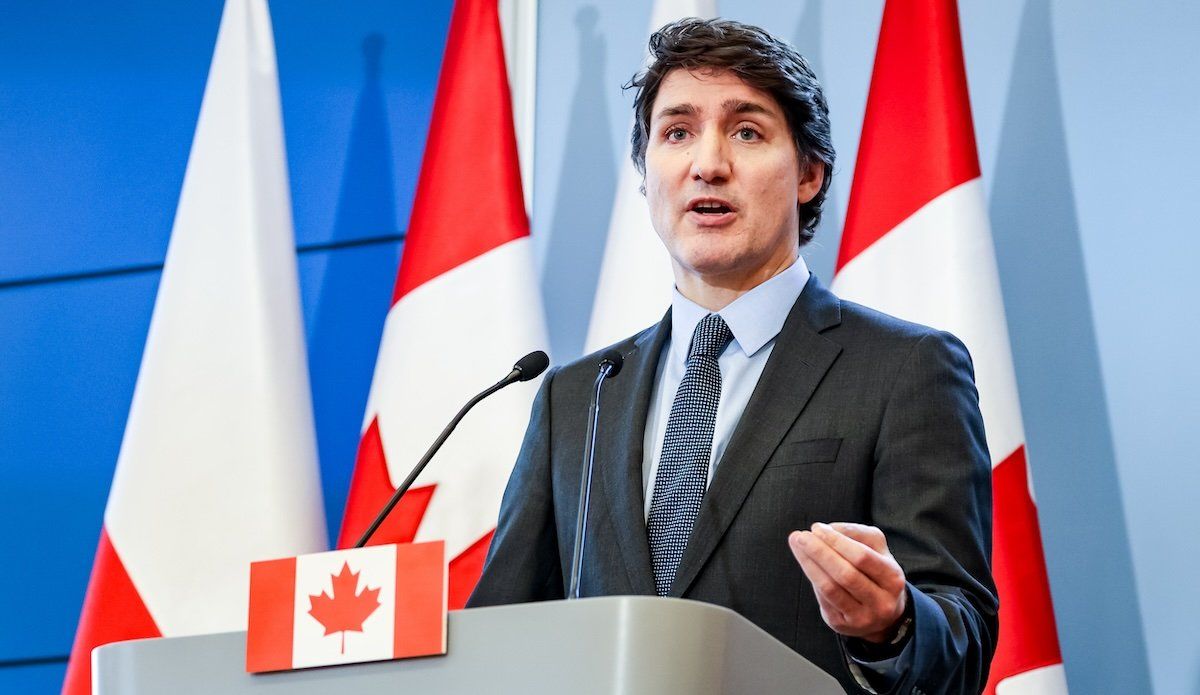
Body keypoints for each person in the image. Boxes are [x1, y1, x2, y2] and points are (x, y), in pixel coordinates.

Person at [468, 17, 997, 695]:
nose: (707, 163)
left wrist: (890, 624)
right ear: (645, 175)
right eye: (677, 132)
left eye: (746, 131)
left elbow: (963, 641)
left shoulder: (907, 370)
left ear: (808, 173)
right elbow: (502, 628)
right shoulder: (579, 395)